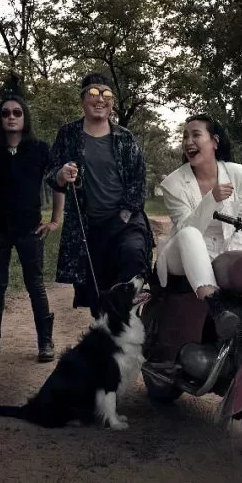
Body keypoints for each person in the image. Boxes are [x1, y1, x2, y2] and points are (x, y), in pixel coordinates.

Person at [45, 72, 153, 316]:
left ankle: (129, 317)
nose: (100, 99)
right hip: (88, 227)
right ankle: (105, 328)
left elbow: (138, 181)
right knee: (98, 293)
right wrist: (61, 174)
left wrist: (124, 216)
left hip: (125, 220)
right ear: (83, 99)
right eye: (93, 93)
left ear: (112, 102)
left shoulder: (125, 138)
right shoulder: (68, 134)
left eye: (106, 94)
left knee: (133, 255)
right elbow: (51, 174)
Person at [0, 95, 65, 362]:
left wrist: (55, 221)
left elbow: (57, 183)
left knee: (35, 284)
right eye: (5, 113)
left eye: (17, 112)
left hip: (30, 229)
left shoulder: (40, 149)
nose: (11, 117)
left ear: (25, 118)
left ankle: (45, 342)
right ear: (0, 120)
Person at [154, 115, 242, 340]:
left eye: (196, 135)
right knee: (189, 233)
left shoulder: (238, 174)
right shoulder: (173, 184)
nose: (188, 141)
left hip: (226, 249)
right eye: (185, 137)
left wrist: (232, 260)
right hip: (182, 254)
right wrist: (211, 200)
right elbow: (185, 228)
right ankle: (216, 307)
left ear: (214, 141)